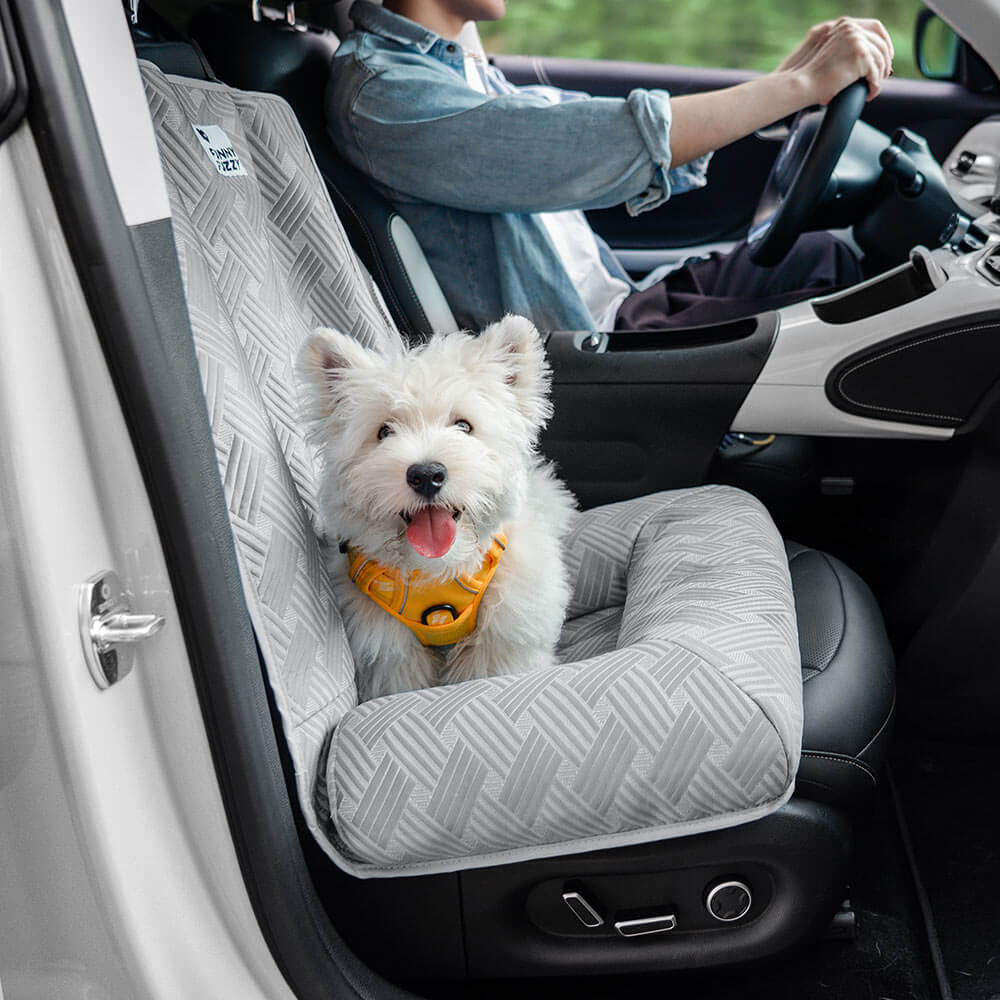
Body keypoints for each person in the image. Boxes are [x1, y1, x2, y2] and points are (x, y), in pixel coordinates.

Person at [326, 0, 894, 332]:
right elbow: (600, 142)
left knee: (827, 259)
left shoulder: (456, 69)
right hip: (587, 359)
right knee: (866, 312)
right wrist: (798, 86)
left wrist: (785, 82)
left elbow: (608, 139)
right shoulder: (388, 93)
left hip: (619, 307)